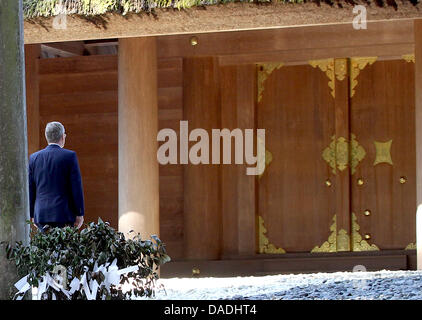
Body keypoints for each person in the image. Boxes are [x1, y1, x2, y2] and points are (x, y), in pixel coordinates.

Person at [29, 121, 84, 231]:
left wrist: (32, 214)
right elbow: (76, 187)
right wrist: (79, 213)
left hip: (41, 214)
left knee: (45, 248)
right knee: (64, 247)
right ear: (63, 137)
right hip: (64, 214)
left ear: (46, 137)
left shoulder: (34, 158)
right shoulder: (70, 156)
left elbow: (31, 188)